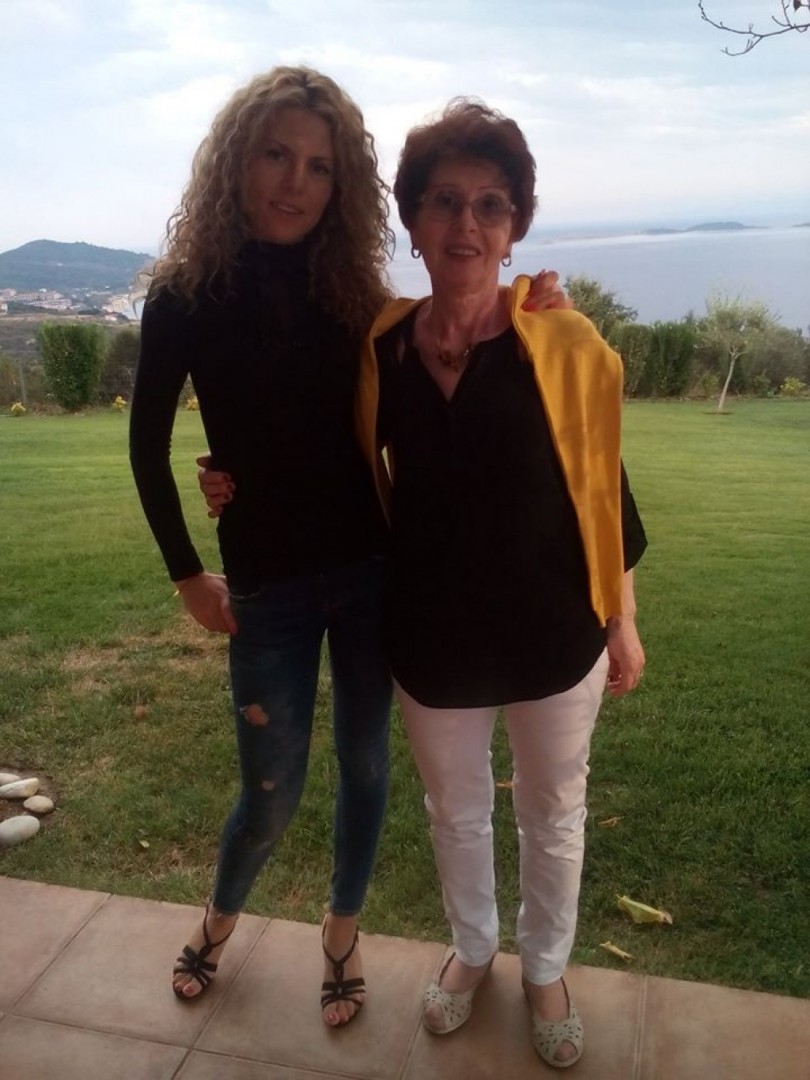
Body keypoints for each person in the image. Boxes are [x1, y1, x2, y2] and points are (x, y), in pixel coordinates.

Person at [131, 66, 564, 1027]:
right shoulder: (184, 297)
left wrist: (535, 314)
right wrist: (187, 573)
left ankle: (342, 933)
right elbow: (146, 446)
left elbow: (447, 374)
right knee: (271, 789)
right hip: (267, 588)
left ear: (342, 186)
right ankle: (218, 919)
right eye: (276, 155)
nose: (295, 181)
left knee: (367, 770)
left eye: (320, 166)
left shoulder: (357, 298)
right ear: (236, 162)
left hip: (372, 575)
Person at [353, 99, 647, 1068]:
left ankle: (546, 966)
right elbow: (334, 466)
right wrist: (226, 481)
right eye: (444, 201)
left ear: (515, 225)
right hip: (432, 636)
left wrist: (622, 620)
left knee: (554, 812)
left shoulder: (563, 344)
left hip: (554, 633)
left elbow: (605, 489)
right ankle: (475, 949)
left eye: (491, 204)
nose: (467, 224)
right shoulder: (382, 351)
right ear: (413, 221)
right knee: (455, 811)